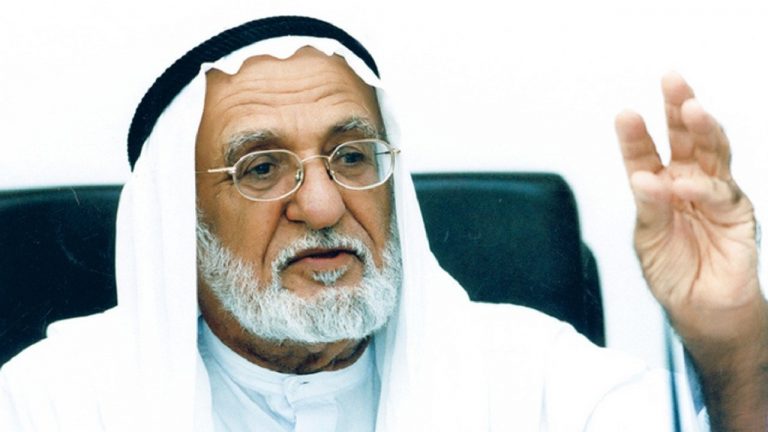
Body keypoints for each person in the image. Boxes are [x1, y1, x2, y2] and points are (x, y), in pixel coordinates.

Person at [1, 15, 765, 431]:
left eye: (352, 156)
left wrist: (731, 335)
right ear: (181, 220)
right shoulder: (54, 405)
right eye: (261, 169)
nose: (324, 205)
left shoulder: (531, 377)